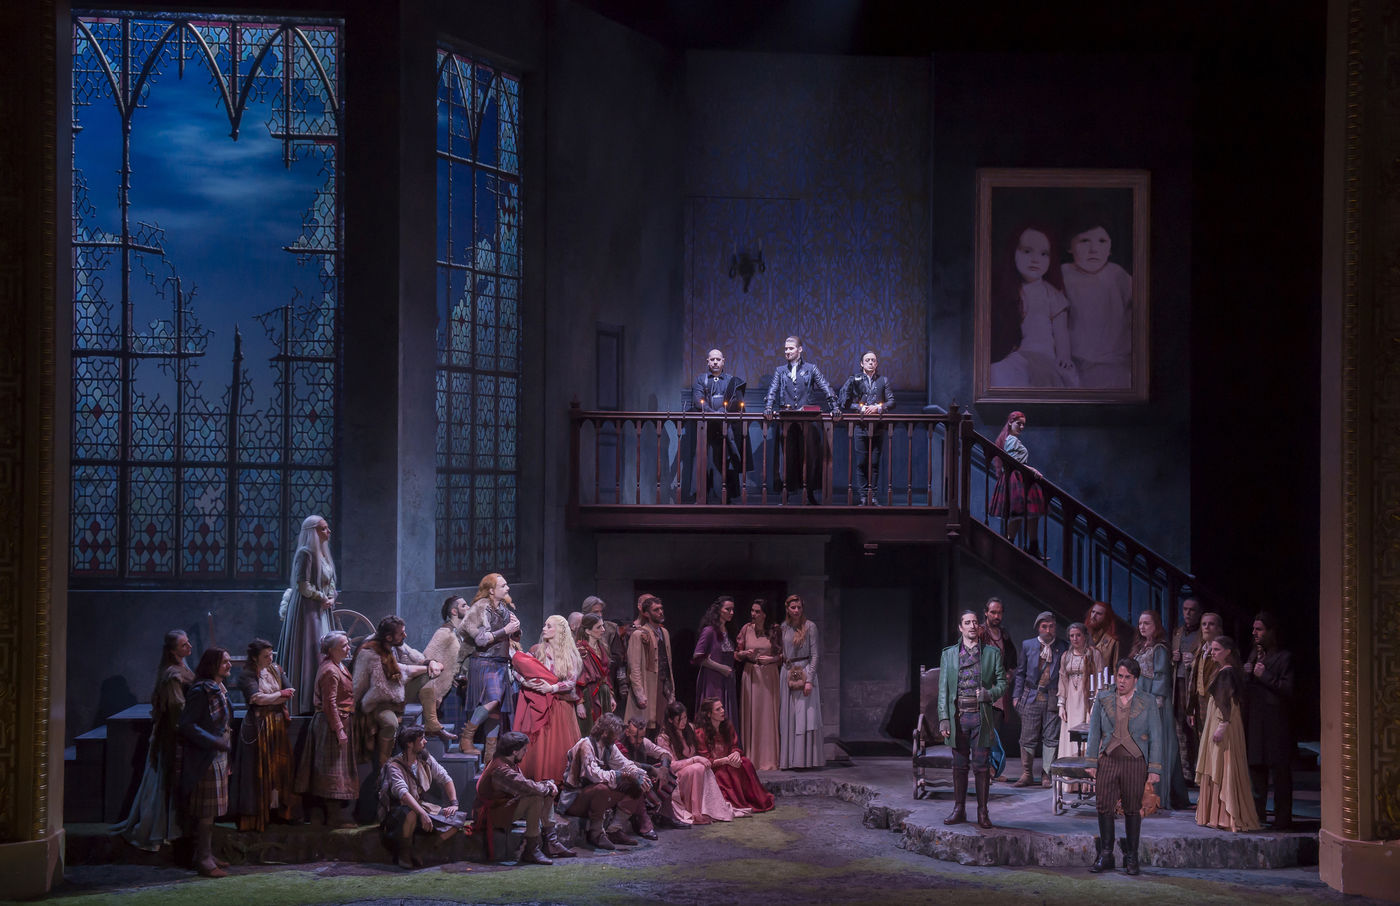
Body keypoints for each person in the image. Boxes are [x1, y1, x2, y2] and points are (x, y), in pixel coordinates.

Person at [112, 629, 194, 851]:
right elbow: (177, 706)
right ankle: (162, 827)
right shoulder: (172, 674)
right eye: (184, 645)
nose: (189, 647)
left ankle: (175, 825)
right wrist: (189, 725)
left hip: (179, 729)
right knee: (166, 776)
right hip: (172, 732)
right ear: (173, 651)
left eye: (188, 643)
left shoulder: (184, 667)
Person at [1084, 658, 1161, 877]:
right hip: (1109, 760)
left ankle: (1132, 857)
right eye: (1120, 676)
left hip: (1135, 762)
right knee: (1103, 806)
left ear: (1135, 679)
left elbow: (1156, 736)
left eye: (1127, 677)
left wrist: (1154, 769)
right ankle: (1106, 854)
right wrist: (1091, 761)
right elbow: (1094, 732)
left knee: (1132, 808)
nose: (1122, 681)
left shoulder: (1148, 701)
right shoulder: (1103, 698)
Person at [937, 610, 1007, 828]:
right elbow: (943, 689)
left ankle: (983, 812)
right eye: (967, 622)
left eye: (975, 622)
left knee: (981, 766)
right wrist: (943, 718)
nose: (972, 626)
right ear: (960, 627)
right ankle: (959, 809)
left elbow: (1002, 683)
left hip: (980, 716)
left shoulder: (991, 654)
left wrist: (990, 694)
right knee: (959, 766)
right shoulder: (949, 654)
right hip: (958, 718)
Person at [988, 225, 1079, 388]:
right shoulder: (1007, 291)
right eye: (1027, 251)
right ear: (1013, 252)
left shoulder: (1052, 294)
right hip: (1016, 357)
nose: (1035, 259)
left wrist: (1064, 357)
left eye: (1044, 254)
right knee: (998, 372)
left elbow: (1061, 333)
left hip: (1042, 357)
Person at [353, 615, 441, 767]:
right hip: (377, 702)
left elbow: (415, 656)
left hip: (395, 694)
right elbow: (359, 684)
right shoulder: (369, 653)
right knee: (391, 723)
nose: (405, 635)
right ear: (388, 637)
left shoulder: (395, 643)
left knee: (429, 674)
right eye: (401, 633)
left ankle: (432, 723)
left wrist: (431, 662)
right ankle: (384, 765)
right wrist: (353, 709)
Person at [474, 730, 573, 864]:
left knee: (543, 793)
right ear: (515, 751)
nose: (526, 752)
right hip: (492, 813)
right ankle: (531, 850)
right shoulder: (501, 769)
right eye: (524, 749)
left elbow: (525, 785)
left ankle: (551, 841)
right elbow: (525, 787)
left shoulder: (509, 762)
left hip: (504, 806)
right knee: (535, 797)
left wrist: (547, 785)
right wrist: (548, 786)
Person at [763, 335, 840, 505]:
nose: (787, 351)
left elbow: (825, 387)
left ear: (800, 349)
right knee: (787, 457)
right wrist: (768, 407)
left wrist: (834, 407)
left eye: (791, 348)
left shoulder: (811, 369)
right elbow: (772, 390)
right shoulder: (780, 370)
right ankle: (786, 494)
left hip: (808, 421)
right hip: (787, 421)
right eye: (785, 349)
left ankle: (809, 492)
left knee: (810, 457)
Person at [178, 647, 234, 878]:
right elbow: (187, 725)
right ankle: (203, 859)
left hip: (217, 755)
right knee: (205, 811)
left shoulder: (219, 688)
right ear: (212, 665)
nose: (229, 665)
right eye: (224, 662)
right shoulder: (201, 691)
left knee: (211, 811)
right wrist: (214, 741)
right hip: (205, 756)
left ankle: (206, 853)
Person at [560, 714, 655, 849]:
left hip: (595, 798)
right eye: (615, 734)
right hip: (575, 800)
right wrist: (622, 775)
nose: (617, 737)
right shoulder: (585, 745)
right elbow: (594, 775)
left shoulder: (609, 746)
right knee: (601, 788)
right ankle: (596, 833)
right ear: (605, 732)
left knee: (635, 787)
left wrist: (639, 775)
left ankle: (614, 829)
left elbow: (624, 764)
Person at [1194, 636, 1260, 832]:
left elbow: (1226, 702)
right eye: (1212, 649)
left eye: (1216, 650)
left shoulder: (1227, 672)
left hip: (1223, 720)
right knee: (1219, 761)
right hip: (1224, 719)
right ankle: (1216, 814)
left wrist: (1222, 725)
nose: (1212, 653)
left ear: (1228, 652)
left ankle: (1224, 815)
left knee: (1221, 762)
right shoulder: (1226, 671)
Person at [1061, 214, 1134, 389]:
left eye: (1102, 241)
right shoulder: (1063, 274)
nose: (1094, 249)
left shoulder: (1118, 275)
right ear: (1069, 246)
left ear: (1110, 247)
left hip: (1116, 363)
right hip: (1074, 364)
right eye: (1084, 241)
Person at [294, 631, 358, 829]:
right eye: (344, 645)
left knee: (334, 770)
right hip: (330, 724)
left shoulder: (338, 666)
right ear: (331, 650)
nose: (348, 648)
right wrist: (339, 729)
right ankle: (331, 818)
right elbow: (330, 703)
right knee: (331, 770)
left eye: (348, 644)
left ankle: (327, 816)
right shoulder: (330, 670)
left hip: (337, 720)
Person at [377, 725, 463, 870]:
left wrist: (454, 803)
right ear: (410, 744)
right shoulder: (394, 766)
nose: (425, 741)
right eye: (421, 739)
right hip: (398, 811)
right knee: (410, 813)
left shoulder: (425, 758)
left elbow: (445, 778)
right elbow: (403, 794)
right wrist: (422, 814)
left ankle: (422, 851)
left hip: (421, 806)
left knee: (457, 820)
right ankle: (404, 854)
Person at [231, 638, 295, 831]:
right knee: (259, 768)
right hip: (259, 725)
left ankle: (278, 812)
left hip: (277, 724)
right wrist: (279, 695)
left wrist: (275, 697)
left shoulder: (276, 669)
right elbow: (256, 699)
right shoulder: (248, 675)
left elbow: (290, 691)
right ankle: (257, 815)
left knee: (278, 767)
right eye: (265, 656)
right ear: (254, 657)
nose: (270, 659)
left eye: (270, 655)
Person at [277, 514, 338, 715]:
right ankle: (304, 702)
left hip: (321, 609)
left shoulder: (323, 555)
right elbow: (303, 586)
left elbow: (330, 582)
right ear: (313, 532)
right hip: (308, 611)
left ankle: (322, 696)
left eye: (327, 527)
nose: (328, 531)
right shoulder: (306, 554)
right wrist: (322, 597)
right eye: (323, 528)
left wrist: (330, 597)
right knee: (310, 650)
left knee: (322, 649)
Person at [1130, 610, 1189, 810]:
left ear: (1156, 625)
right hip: (1140, 698)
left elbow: (1161, 675)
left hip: (1155, 702)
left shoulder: (1160, 648)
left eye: (1147, 623)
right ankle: (1141, 792)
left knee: (1157, 744)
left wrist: (1156, 702)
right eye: (1140, 623)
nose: (1142, 627)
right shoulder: (1141, 648)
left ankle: (1158, 795)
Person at [515, 615, 583, 785]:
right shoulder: (536, 650)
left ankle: (558, 783)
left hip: (559, 705)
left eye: (549, 626)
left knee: (556, 746)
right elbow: (516, 669)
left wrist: (551, 688)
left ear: (559, 631)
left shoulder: (569, 655)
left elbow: (571, 682)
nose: (544, 628)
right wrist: (524, 682)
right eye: (545, 625)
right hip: (538, 705)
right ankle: (535, 779)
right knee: (538, 744)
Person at [460, 572, 522, 758]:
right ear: (491, 590)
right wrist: (505, 630)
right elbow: (480, 640)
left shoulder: (503, 608)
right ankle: (466, 737)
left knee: (495, 709)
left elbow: (513, 636)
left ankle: (490, 756)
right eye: (503, 586)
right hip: (485, 660)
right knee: (493, 701)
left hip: (500, 662)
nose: (507, 588)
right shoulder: (480, 608)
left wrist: (516, 628)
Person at [1244, 612, 1295, 829]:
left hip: (1276, 724)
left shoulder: (1284, 657)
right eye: (1253, 629)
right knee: (1256, 770)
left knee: (1280, 773)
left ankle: (1283, 820)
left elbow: (1288, 689)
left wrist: (1264, 675)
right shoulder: (1254, 656)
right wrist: (1246, 673)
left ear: (1271, 632)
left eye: (1259, 629)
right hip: (1256, 722)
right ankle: (1257, 817)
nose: (1254, 633)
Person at [655, 703, 740, 824]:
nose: (684, 721)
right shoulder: (664, 738)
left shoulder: (689, 729)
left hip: (693, 772)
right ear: (670, 720)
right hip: (676, 776)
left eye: (685, 717)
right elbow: (671, 765)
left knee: (702, 767)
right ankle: (696, 812)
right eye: (680, 719)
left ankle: (709, 809)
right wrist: (693, 760)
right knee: (697, 768)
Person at [1012, 611, 1067, 787]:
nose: (1048, 630)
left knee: (1051, 737)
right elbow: (1020, 673)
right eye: (1044, 626)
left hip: (1053, 697)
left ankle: (1047, 774)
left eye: (1051, 626)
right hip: (1031, 696)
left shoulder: (1063, 646)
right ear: (1038, 627)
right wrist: (1016, 695)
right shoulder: (1028, 645)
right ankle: (1027, 773)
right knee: (1027, 736)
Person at [695, 698, 774, 812]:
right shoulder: (701, 734)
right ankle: (736, 802)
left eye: (722, 707)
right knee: (725, 772)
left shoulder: (727, 726)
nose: (723, 711)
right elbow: (706, 760)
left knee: (745, 763)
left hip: (729, 762)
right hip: (714, 768)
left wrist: (736, 753)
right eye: (718, 709)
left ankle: (754, 799)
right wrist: (726, 760)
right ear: (709, 714)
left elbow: (734, 746)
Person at [688, 347, 746, 501]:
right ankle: (701, 496)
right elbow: (697, 400)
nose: (715, 362)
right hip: (705, 427)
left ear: (723, 361)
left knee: (725, 460)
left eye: (718, 359)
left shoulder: (730, 380)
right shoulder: (701, 379)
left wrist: (721, 411)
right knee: (703, 459)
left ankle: (725, 498)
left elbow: (734, 400)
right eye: (712, 359)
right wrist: (712, 413)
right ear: (707, 361)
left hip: (725, 427)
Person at [838, 350, 895, 505]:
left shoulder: (883, 380)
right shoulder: (854, 379)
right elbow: (844, 401)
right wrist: (860, 408)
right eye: (867, 360)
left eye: (873, 360)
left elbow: (891, 401)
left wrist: (878, 408)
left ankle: (873, 496)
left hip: (878, 427)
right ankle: (863, 497)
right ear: (862, 364)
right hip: (860, 426)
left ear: (876, 364)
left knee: (875, 463)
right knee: (861, 463)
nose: (871, 362)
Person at [988, 411, 1046, 557]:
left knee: (1025, 514)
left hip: (1019, 477)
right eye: (1018, 423)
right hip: (1016, 478)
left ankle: (1026, 545)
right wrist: (1032, 469)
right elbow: (1014, 462)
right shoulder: (1011, 440)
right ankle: (1011, 545)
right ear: (1010, 423)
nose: (1021, 427)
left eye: (1023, 424)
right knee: (1019, 513)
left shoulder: (1011, 439)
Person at [735, 597, 782, 771]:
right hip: (751, 674)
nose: (753, 614)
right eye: (752, 611)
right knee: (752, 714)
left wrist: (771, 659)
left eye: (757, 611)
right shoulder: (746, 629)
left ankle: (769, 758)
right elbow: (737, 653)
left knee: (768, 716)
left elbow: (783, 655)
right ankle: (752, 758)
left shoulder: (775, 630)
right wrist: (744, 654)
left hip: (769, 675)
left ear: (765, 614)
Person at [779, 594, 824, 769]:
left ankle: (805, 760)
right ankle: (789, 760)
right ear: (787, 609)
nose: (796, 610)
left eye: (799, 607)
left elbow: (815, 655)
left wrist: (809, 680)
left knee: (805, 715)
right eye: (793, 607)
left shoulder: (810, 626)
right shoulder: (783, 627)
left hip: (804, 671)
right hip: (787, 672)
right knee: (789, 716)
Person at [1056, 622, 1102, 790]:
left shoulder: (1093, 654)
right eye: (1072, 636)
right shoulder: (1066, 656)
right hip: (1071, 702)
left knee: (1086, 738)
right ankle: (1071, 782)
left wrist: (1096, 702)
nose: (1075, 639)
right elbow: (1062, 680)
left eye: (1078, 635)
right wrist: (1061, 705)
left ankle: (1086, 783)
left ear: (1085, 636)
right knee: (1070, 737)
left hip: (1087, 700)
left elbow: (1100, 677)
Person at [419, 595, 469, 747]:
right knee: (449, 734)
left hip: (458, 687)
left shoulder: (458, 632)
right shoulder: (444, 632)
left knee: (458, 729)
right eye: (464, 605)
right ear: (454, 611)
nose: (468, 608)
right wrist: (440, 671)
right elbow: (427, 656)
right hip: (446, 691)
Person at [625, 593, 675, 732]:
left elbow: (668, 663)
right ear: (646, 613)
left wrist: (671, 689)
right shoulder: (639, 634)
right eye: (656, 610)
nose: (660, 612)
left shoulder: (664, 632)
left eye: (661, 608)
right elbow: (634, 666)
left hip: (664, 685)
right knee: (646, 726)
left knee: (663, 725)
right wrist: (639, 693)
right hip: (649, 684)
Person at [980, 597, 1017, 782]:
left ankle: (993, 769)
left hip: (999, 692)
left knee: (995, 730)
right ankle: (984, 770)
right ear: (986, 612)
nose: (996, 616)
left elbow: (1012, 660)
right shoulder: (980, 633)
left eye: (999, 613)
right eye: (993, 612)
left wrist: (1008, 674)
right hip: (983, 689)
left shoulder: (1004, 635)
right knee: (985, 731)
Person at [692, 595, 739, 731]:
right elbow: (697, 656)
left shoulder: (729, 631)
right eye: (727, 609)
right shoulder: (709, 631)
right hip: (713, 680)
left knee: (726, 716)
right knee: (714, 713)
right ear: (719, 610)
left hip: (727, 680)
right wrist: (721, 668)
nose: (731, 612)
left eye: (732, 609)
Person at [1170, 597, 1203, 783]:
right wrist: (1173, 659)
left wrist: (1194, 659)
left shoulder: (1202, 634)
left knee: (1195, 729)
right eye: (1185, 609)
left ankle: (1199, 772)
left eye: (1192, 610)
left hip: (1194, 686)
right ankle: (1185, 773)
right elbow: (1172, 662)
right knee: (1180, 729)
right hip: (1179, 684)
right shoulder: (1178, 632)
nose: (1188, 613)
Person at [575, 613, 615, 737]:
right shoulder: (580, 650)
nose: (603, 630)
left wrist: (611, 696)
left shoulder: (602, 647)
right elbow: (575, 677)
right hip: (588, 695)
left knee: (605, 732)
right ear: (588, 631)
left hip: (603, 694)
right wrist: (579, 703)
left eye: (603, 626)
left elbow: (606, 675)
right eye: (599, 627)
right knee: (589, 732)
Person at [1185, 611, 1224, 737]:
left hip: (1216, 703)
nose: (1206, 627)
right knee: (1202, 739)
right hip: (1200, 703)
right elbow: (1194, 682)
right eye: (1204, 624)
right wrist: (1191, 708)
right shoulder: (1200, 651)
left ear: (1218, 629)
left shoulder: (1224, 652)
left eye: (1211, 624)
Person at [1085, 602, 1121, 675]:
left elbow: (1115, 669)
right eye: (1093, 612)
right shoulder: (1081, 637)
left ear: (1106, 618)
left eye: (1099, 614)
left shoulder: (1112, 642)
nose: (1093, 616)